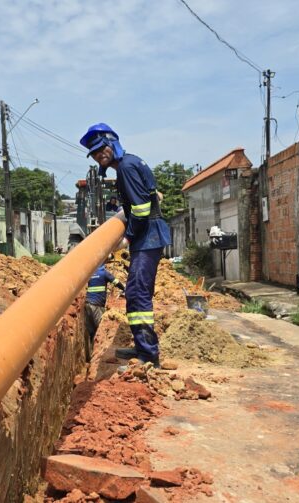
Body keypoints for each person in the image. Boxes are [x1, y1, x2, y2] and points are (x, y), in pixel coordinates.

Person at [80, 123, 171, 367]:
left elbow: (141, 210)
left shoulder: (126, 168)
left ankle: (148, 355)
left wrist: (127, 237)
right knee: (136, 293)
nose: (100, 155)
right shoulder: (131, 163)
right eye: (95, 153)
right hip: (149, 236)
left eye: (102, 148)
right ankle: (143, 348)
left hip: (147, 236)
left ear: (113, 143)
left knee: (138, 293)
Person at [84, 260, 125, 362]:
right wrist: (124, 288)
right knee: (99, 331)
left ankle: (88, 358)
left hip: (87, 304)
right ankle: (96, 358)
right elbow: (116, 282)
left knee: (90, 331)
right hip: (97, 306)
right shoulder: (104, 273)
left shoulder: (91, 273)